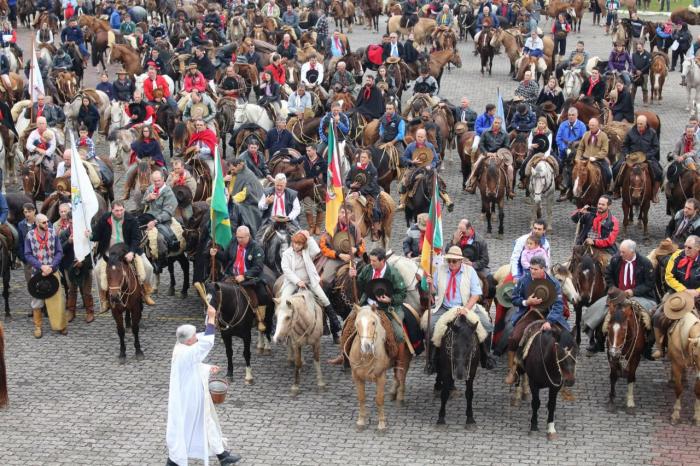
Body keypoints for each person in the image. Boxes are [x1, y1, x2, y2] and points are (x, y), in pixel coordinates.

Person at [165, 305, 242, 466]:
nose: (196, 337)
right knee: (187, 428)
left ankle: (222, 455)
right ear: (187, 340)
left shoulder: (183, 347)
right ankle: (173, 461)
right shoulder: (185, 352)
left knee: (208, 422)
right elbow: (206, 342)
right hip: (189, 400)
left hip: (194, 395)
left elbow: (194, 363)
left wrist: (207, 368)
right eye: (193, 336)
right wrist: (212, 319)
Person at [424, 245, 496, 372]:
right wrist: (429, 285)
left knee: (487, 325)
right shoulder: (440, 269)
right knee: (429, 326)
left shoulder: (470, 271)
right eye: (449, 260)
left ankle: (486, 356)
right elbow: (434, 291)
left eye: (454, 261)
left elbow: (476, 294)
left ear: (461, 260)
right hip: (445, 307)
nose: (451, 263)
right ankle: (432, 360)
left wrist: (466, 309)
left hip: (466, 306)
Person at [582, 239, 657, 354]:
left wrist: (633, 291)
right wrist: (614, 289)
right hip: (618, 295)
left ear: (632, 252)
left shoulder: (645, 263)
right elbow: (608, 274)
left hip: (641, 296)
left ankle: (647, 345)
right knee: (597, 310)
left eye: (623, 252)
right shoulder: (616, 260)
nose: (620, 254)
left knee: (651, 318)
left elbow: (649, 283)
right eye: (620, 251)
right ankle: (598, 340)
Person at [503, 255, 569, 384]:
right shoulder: (524, 280)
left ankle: (565, 367)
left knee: (567, 336)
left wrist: (549, 321)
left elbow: (558, 305)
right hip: (530, 313)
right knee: (514, 338)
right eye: (531, 268)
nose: (532, 271)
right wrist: (526, 302)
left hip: (549, 315)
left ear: (543, 269)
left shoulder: (554, 283)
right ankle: (513, 370)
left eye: (536, 269)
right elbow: (514, 298)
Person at [212, 225, 271, 332]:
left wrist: (244, 276)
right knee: (217, 292)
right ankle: (216, 316)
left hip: (250, 279)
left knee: (263, 295)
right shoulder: (234, 242)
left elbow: (258, 267)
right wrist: (216, 253)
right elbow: (226, 257)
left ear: (248, 236)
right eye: (238, 237)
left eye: (241, 238)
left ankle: (260, 319)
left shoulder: (256, 248)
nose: (239, 240)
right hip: (231, 276)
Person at [280, 230, 338, 335]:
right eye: (295, 243)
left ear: (303, 244)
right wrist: (298, 281)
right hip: (293, 282)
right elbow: (286, 270)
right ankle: (281, 324)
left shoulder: (307, 251)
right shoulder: (286, 254)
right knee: (284, 298)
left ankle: (334, 322)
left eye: (299, 244)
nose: (296, 246)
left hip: (310, 281)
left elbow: (316, 251)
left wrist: (309, 238)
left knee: (324, 298)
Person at [654, 235, 700, 358]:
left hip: (698, 294)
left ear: (698, 248)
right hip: (676, 293)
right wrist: (683, 290)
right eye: (685, 246)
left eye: (689, 247)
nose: (685, 249)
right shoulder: (677, 256)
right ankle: (660, 346)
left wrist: (696, 292)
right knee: (658, 314)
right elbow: (669, 276)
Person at [25, 213, 65, 338]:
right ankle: (38, 326)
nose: (46, 224)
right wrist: (41, 266)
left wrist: (51, 266)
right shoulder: (30, 236)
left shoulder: (53, 233)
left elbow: (59, 252)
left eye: (47, 221)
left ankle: (61, 325)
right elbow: (27, 255)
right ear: (37, 224)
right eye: (43, 222)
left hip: (52, 271)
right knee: (37, 300)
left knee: (59, 299)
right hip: (38, 272)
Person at [54, 203, 94, 324]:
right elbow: (59, 250)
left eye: (75, 222)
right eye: (71, 222)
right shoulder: (64, 234)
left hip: (85, 266)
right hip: (69, 267)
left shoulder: (85, 233)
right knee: (72, 290)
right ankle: (71, 311)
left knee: (86, 290)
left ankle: (90, 311)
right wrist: (68, 242)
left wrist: (83, 262)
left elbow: (92, 251)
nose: (73, 225)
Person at [613, 115, 661, 202]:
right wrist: (627, 154)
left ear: (646, 124)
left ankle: (654, 194)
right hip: (632, 156)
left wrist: (647, 155)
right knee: (616, 168)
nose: (639, 126)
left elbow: (656, 147)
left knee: (658, 172)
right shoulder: (631, 132)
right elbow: (624, 145)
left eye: (641, 124)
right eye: (638, 124)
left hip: (646, 156)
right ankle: (616, 190)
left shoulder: (652, 132)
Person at [465, 117, 514, 198]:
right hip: (486, 154)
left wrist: (498, 153)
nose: (496, 124)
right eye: (495, 122)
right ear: (493, 123)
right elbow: (481, 145)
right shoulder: (485, 132)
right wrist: (486, 153)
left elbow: (506, 147)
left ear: (500, 124)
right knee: (476, 165)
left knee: (510, 169)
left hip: (500, 155)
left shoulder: (505, 134)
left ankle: (510, 189)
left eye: (498, 123)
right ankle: (471, 183)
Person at [141, 170, 180, 262]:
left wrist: (155, 221)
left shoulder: (168, 192)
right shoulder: (150, 188)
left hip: (163, 220)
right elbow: (142, 202)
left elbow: (167, 212)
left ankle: (161, 260)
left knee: (159, 238)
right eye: (155, 181)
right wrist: (148, 198)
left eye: (159, 180)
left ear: (163, 179)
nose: (157, 183)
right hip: (149, 216)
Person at [571, 195, 620, 267]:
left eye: (603, 205)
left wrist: (594, 242)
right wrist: (580, 212)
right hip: (585, 245)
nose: (600, 206)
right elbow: (574, 218)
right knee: (572, 263)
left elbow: (610, 240)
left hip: (605, 250)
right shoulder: (590, 215)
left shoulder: (613, 221)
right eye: (599, 204)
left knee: (608, 267)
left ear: (609, 206)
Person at [572, 117, 612, 193]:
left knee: (608, 173)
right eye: (590, 125)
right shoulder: (586, 134)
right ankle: (572, 191)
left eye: (593, 125)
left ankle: (606, 189)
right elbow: (580, 148)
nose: (591, 127)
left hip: (598, 160)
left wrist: (596, 157)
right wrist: (577, 158)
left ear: (598, 126)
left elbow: (604, 150)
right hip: (585, 159)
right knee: (574, 172)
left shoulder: (603, 136)